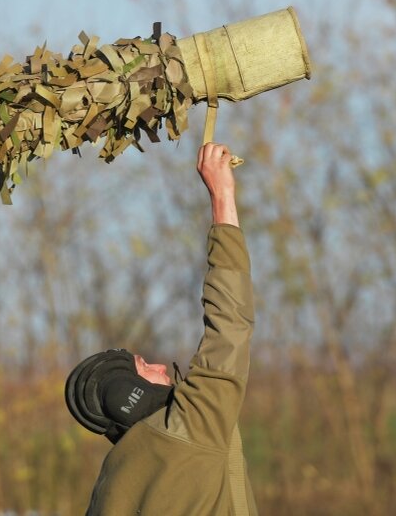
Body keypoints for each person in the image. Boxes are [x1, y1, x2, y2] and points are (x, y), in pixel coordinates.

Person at [65, 142, 257, 515]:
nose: (159, 367)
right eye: (144, 368)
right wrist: (222, 196)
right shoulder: (190, 426)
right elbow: (229, 323)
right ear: (126, 395)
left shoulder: (112, 480)